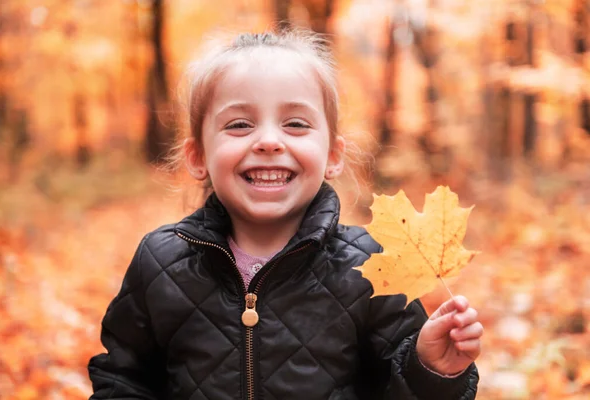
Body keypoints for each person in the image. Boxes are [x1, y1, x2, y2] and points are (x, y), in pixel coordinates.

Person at [88, 29, 481, 399]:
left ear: (333, 156)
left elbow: (395, 389)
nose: (270, 141)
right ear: (198, 157)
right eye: (239, 124)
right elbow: (124, 377)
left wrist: (430, 370)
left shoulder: (371, 266)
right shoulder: (160, 261)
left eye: (295, 124)